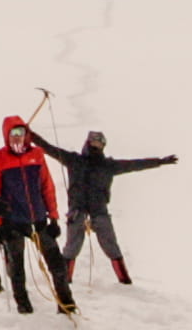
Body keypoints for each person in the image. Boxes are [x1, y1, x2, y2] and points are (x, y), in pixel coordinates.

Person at [38, 123, 178, 287]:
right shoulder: (74, 160)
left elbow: (134, 164)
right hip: (77, 212)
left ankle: (125, 281)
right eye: (94, 142)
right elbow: (49, 148)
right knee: (71, 249)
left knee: (111, 247)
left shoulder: (108, 165)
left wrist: (159, 162)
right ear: (88, 143)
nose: (97, 146)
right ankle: (64, 282)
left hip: (99, 212)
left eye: (100, 143)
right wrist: (31, 136)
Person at [0, 116, 74, 315]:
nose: (17, 138)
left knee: (57, 264)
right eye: (13, 134)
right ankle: (23, 306)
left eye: (21, 133)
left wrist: (53, 217)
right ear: (6, 136)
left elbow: (47, 186)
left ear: (27, 134)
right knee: (17, 268)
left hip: (38, 219)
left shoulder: (37, 154)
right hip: (13, 223)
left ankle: (66, 304)